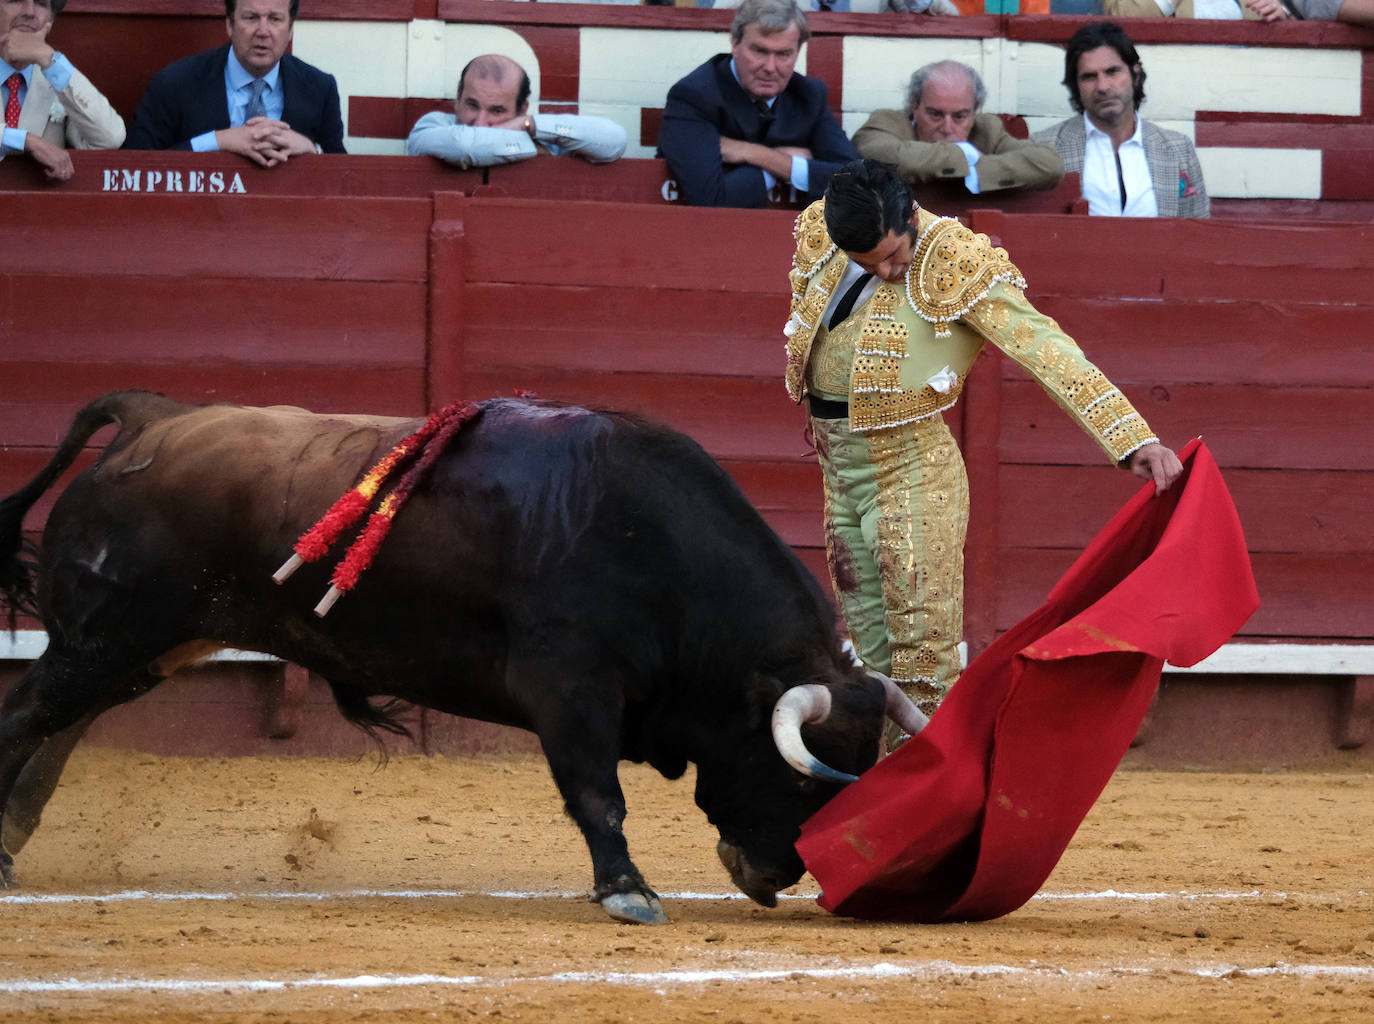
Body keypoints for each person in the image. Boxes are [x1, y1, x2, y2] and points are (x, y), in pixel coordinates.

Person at [783, 158, 1182, 733]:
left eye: (896, 254)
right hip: (841, 477)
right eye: (870, 262)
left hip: (912, 474)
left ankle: (930, 807)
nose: (890, 271)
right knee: (868, 663)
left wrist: (1132, 438)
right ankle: (878, 803)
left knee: (923, 664)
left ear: (909, 216)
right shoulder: (822, 233)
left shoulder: (954, 258)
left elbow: (1045, 347)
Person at [657, 0, 858, 208]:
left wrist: (758, 155)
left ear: (797, 53)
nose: (770, 67)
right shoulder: (694, 95)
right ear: (735, 44)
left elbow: (860, 183)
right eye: (760, 51)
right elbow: (712, 200)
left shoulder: (808, 94)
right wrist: (784, 166)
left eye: (783, 54)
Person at [124, 0, 344, 166]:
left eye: (275, 19)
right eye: (251, 17)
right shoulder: (174, 84)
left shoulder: (320, 89)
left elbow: (343, 177)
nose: (263, 32)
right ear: (229, 24)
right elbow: (132, 168)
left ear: (291, 29)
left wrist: (311, 151)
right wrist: (217, 141)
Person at [1032, 22, 1208, 218]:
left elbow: (1198, 233)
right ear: (1076, 86)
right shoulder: (1044, 147)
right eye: (1089, 77)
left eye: (1112, 71)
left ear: (1135, 73)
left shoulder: (1178, 149)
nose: (1103, 86)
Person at [852, 60, 1063, 195]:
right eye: (935, 114)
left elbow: (1049, 165)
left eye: (960, 116)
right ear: (913, 106)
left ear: (975, 111)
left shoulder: (986, 130)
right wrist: (966, 155)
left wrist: (970, 171)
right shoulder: (888, 122)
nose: (947, 127)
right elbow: (879, 156)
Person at [407, 54, 626, 168]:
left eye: (497, 111)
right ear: (458, 96)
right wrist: (534, 150)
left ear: (522, 109)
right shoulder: (433, 126)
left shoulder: (543, 136)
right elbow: (463, 145)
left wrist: (527, 125)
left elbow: (615, 141)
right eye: (472, 105)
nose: (481, 123)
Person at [0, 0, 124, 182]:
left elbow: (110, 137)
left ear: (49, 23)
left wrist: (48, 59)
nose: (30, 12)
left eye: (41, 4)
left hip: (38, 206)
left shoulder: (56, 77)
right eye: (16, 0)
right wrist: (26, 141)